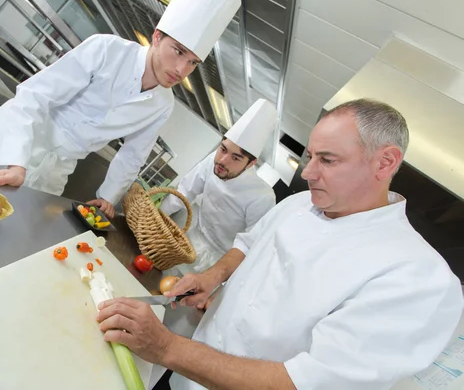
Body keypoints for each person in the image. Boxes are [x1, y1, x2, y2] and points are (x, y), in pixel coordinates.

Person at [96, 98, 464, 389]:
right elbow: (250, 243)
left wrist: (166, 347)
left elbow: (306, 383)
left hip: (181, 357)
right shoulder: (300, 203)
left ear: (384, 163)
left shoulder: (418, 278)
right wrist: (212, 277)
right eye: (310, 156)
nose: (307, 172)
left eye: (327, 160)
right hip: (185, 370)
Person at [0, 0, 241, 218]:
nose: (181, 70)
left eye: (192, 63)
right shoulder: (106, 50)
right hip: (10, 144)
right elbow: (36, 95)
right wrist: (16, 159)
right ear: (157, 36)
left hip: (56, 170)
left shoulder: (163, 104)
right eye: (178, 52)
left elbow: (132, 156)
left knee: (3, 234)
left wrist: (108, 197)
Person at [159, 99, 276, 275]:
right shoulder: (212, 161)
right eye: (223, 149)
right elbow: (184, 192)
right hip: (189, 238)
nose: (222, 160)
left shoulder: (262, 197)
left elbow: (250, 245)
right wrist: (157, 217)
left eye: (235, 158)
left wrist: (216, 276)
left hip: (217, 263)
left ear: (251, 163)